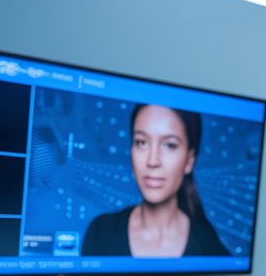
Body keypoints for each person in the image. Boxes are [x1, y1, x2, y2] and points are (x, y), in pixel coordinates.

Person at [82, 104, 228, 257]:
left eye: (169, 145)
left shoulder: (211, 251)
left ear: (189, 161)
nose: (152, 161)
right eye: (141, 143)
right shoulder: (100, 232)